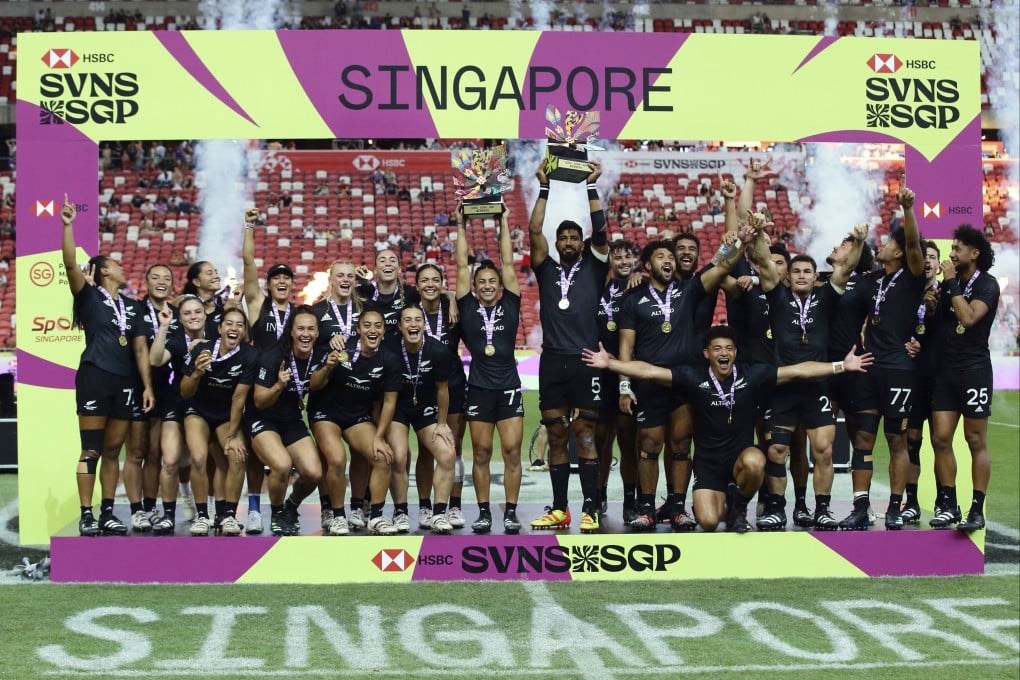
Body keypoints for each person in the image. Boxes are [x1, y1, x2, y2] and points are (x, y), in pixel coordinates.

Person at [583, 325, 873, 532]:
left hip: (739, 459)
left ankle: (739, 505)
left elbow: (797, 370)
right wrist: (611, 364)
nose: (724, 353)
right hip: (708, 465)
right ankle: (728, 503)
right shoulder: (692, 376)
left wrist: (840, 366)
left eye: (729, 348)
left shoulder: (752, 373)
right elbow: (649, 371)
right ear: (707, 353)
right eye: (718, 348)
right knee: (709, 522)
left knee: (756, 460)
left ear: (736, 352)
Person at [617, 203, 751, 532]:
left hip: (685, 381)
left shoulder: (689, 290)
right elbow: (625, 347)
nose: (668, 261)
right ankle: (647, 508)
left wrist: (740, 242)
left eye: (670, 257)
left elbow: (721, 266)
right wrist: (624, 385)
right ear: (648, 265)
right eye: (661, 257)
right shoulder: (632, 299)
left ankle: (677, 507)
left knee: (680, 445)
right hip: (649, 382)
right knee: (648, 444)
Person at [756, 224, 867, 531]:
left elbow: (848, 267)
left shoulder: (827, 297)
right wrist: (754, 234)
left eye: (808, 271)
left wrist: (858, 240)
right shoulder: (776, 297)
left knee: (825, 451)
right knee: (776, 450)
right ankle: (777, 509)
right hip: (783, 387)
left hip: (817, 386)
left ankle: (822, 509)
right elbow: (765, 261)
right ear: (787, 277)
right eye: (797, 271)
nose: (803, 275)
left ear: (816, 276)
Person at [61, 195, 154, 536]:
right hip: (95, 377)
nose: (121, 266)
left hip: (127, 383)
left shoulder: (133, 306)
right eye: (114, 263)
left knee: (114, 450)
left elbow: (141, 351)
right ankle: (86, 515)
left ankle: (107, 513)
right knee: (92, 449)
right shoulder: (87, 294)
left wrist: (145, 385)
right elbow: (71, 263)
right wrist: (68, 225)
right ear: (102, 271)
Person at [527, 160, 609, 533]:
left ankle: (590, 508)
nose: (570, 242)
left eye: (576, 237)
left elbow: (603, 231)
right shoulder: (546, 268)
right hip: (553, 361)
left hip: (585, 360)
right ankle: (560, 508)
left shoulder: (594, 265)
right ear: (558, 244)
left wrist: (591, 187)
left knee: (585, 434)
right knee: (557, 434)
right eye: (565, 238)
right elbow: (533, 230)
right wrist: (544, 187)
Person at [840, 187, 925, 531]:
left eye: (890, 242)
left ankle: (894, 506)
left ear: (900, 251)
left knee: (896, 439)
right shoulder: (871, 279)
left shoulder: (913, 277)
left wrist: (907, 209)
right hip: (868, 367)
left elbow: (916, 247)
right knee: (862, 438)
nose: (882, 246)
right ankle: (861, 506)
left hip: (898, 369)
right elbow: (842, 280)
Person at [456, 204, 523, 534]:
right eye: (480, 281)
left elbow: (508, 262)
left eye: (491, 280)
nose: (485, 285)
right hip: (479, 387)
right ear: (474, 285)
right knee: (481, 452)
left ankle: (510, 512)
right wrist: (460, 224)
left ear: (499, 284)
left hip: (509, 387)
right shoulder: (466, 305)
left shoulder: (510, 302)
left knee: (512, 453)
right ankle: (484, 512)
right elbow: (459, 264)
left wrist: (504, 221)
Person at [929, 225, 999, 531]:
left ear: (974, 253)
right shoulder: (949, 284)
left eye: (957, 249)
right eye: (952, 248)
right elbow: (939, 323)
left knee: (975, 439)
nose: (951, 254)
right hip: (946, 371)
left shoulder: (988, 285)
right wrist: (931, 305)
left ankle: (977, 508)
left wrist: (950, 284)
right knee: (941, 438)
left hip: (974, 370)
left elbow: (968, 318)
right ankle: (950, 504)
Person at [309, 309, 403, 535]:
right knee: (338, 459)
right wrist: (328, 367)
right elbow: (313, 385)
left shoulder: (390, 359)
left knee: (383, 457)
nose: (373, 330)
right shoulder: (340, 346)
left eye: (378, 326)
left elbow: (389, 402)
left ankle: (375, 517)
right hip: (326, 413)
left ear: (384, 331)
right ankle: (338, 516)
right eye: (367, 325)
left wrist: (379, 437)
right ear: (359, 329)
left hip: (357, 417)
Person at [250, 306, 331, 536]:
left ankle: (290, 507)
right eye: (301, 329)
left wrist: (329, 367)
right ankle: (276, 514)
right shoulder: (274, 357)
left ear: (317, 333)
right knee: (282, 465)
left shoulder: (319, 355)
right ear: (291, 332)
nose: (306, 334)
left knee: (314, 473)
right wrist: (278, 386)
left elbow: (316, 384)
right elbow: (258, 401)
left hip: (291, 420)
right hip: (263, 419)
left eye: (311, 329)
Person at [242, 206, 297, 534]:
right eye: (275, 279)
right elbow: (249, 264)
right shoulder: (257, 306)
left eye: (285, 279)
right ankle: (252, 508)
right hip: (257, 388)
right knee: (252, 452)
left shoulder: (299, 313)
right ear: (269, 284)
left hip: (288, 392)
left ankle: (281, 507)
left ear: (291, 285)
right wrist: (249, 226)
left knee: (286, 460)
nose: (280, 282)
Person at [180, 308, 258, 536]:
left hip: (226, 414)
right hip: (198, 410)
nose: (234, 328)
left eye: (240, 325)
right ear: (220, 328)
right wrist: (196, 373)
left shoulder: (249, 355)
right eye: (229, 324)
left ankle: (229, 516)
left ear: (244, 332)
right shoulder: (202, 349)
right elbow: (184, 392)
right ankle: (203, 515)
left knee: (238, 456)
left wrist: (233, 436)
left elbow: (238, 398)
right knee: (198, 457)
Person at [386, 305, 457, 534]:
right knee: (398, 456)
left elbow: (443, 390)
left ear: (425, 325)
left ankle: (437, 514)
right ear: (400, 326)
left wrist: (442, 423)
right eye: (407, 320)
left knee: (447, 454)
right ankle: (401, 511)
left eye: (418, 320)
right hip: (396, 409)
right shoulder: (389, 348)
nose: (413, 324)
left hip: (426, 409)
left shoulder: (438, 351)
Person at [414, 264, 468, 529]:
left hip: (454, 383)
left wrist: (452, 297)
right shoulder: (411, 310)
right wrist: (450, 295)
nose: (430, 284)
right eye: (424, 280)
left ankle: (454, 506)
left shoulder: (452, 309)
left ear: (442, 283)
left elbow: (465, 290)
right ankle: (425, 507)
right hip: (421, 386)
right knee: (426, 450)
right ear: (417, 285)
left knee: (453, 447)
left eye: (436, 279)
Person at [124, 264, 177, 532]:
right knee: (135, 452)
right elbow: (140, 352)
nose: (161, 281)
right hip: (138, 388)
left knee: (155, 453)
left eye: (166, 278)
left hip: (167, 391)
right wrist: (146, 386)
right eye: (155, 277)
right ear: (146, 282)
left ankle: (149, 506)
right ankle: (135, 511)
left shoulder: (175, 313)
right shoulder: (134, 311)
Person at [311, 260, 363, 528]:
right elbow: (304, 351)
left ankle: (357, 507)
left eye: (350, 276)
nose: (345, 280)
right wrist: (324, 348)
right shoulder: (316, 312)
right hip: (326, 398)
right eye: (340, 275)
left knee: (365, 454)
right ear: (330, 279)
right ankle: (329, 509)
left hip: (357, 396)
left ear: (355, 281)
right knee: (334, 458)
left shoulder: (365, 310)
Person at [149, 295, 207, 533]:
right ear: (180, 319)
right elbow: (154, 359)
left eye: (197, 312)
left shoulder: (218, 335)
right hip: (176, 402)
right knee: (171, 459)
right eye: (187, 313)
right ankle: (170, 513)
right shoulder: (175, 340)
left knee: (203, 459)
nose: (193, 316)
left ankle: (209, 509)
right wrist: (163, 326)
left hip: (208, 406)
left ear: (205, 314)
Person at [594, 239, 640, 522]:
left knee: (627, 439)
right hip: (600, 374)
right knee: (601, 440)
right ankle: (598, 497)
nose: (623, 262)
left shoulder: (640, 288)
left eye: (628, 257)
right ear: (610, 261)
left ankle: (630, 500)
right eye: (618, 257)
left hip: (629, 372)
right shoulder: (599, 288)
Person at [902, 241, 942, 523]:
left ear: (939, 264)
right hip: (911, 377)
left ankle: (944, 502)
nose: (927, 261)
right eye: (923, 256)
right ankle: (912, 501)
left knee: (942, 442)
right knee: (911, 441)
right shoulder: (905, 293)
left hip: (940, 379)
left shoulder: (950, 292)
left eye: (932, 257)